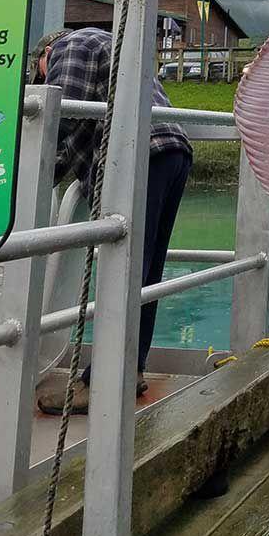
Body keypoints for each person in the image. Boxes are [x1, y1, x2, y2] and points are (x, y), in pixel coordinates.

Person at [30, 26, 193, 412]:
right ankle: (129, 370)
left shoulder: (68, 47)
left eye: (39, 74)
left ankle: (100, 383)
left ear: (45, 52)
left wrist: (23, 182)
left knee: (122, 271)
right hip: (172, 150)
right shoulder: (107, 47)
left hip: (140, 155)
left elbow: (61, 120)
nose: (42, 79)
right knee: (144, 272)